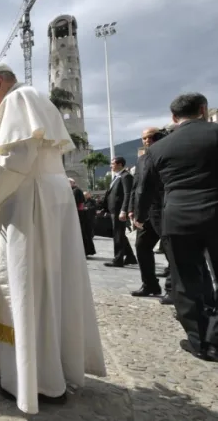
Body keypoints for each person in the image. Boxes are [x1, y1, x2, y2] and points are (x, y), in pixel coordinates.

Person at [0, 63, 106, 414]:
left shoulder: (18, 99)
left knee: (28, 289)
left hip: (30, 206)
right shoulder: (37, 100)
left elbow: (16, 160)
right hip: (48, 202)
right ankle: (52, 372)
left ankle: (37, 383)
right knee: (50, 289)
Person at [135, 92, 218, 362]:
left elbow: (146, 188)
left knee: (185, 281)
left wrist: (139, 215)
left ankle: (200, 342)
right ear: (204, 110)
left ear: (174, 117)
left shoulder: (158, 149)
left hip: (178, 219)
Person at [128, 128, 167, 297]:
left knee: (170, 250)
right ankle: (150, 284)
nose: (147, 140)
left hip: (164, 209)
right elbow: (136, 186)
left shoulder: (166, 155)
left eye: (150, 137)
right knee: (142, 246)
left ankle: (173, 289)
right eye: (143, 138)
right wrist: (132, 209)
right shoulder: (142, 159)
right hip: (145, 212)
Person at [100, 157, 137, 267]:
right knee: (119, 234)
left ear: (120, 164)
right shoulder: (117, 177)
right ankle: (130, 257)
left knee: (118, 235)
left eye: (113, 164)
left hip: (119, 210)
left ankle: (118, 259)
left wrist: (124, 210)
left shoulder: (126, 176)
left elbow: (127, 194)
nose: (111, 166)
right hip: (113, 210)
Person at [70, 178, 96, 257]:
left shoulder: (76, 190)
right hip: (80, 214)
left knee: (82, 234)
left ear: (72, 183)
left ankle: (84, 252)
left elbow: (73, 202)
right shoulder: (76, 190)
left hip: (79, 215)